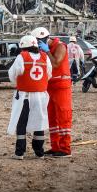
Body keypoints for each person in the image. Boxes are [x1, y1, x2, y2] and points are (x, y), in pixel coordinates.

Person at [7, 35, 52, 160]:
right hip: (41, 96)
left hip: (25, 96)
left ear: (23, 47)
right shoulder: (45, 57)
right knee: (39, 123)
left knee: (22, 124)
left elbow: (12, 75)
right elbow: (48, 74)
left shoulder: (21, 57)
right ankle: (39, 152)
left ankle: (19, 152)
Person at [31, 27, 72, 158]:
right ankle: (55, 147)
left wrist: (47, 51)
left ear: (43, 39)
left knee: (63, 117)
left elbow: (55, 64)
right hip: (49, 87)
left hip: (61, 87)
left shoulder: (61, 46)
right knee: (52, 118)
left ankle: (65, 149)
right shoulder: (42, 50)